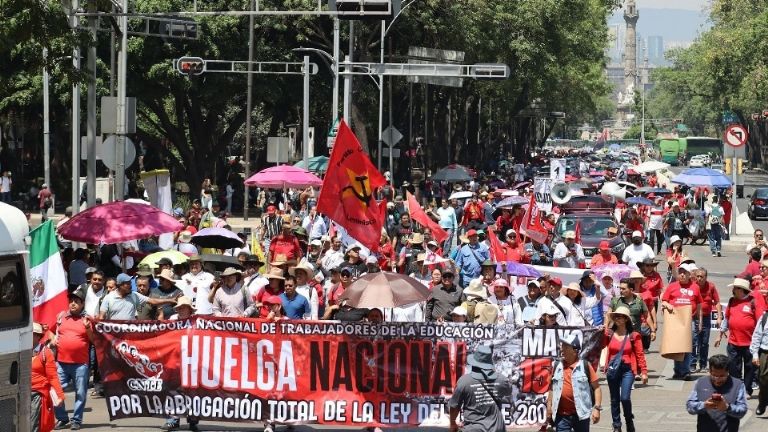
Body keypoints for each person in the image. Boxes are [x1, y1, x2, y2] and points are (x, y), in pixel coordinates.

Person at [51, 290, 94, 430]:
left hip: (80, 365)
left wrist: (88, 328)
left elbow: (93, 340)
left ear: (82, 304)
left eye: (76, 301)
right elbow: (49, 330)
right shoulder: (61, 317)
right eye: (71, 301)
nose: (73, 303)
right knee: (55, 392)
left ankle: (76, 420)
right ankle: (62, 419)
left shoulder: (87, 319)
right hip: (61, 363)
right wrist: (53, 339)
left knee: (80, 394)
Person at [603, 306, 648, 432]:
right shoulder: (609, 334)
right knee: (614, 398)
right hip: (612, 369)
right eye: (616, 316)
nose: (617, 318)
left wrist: (644, 372)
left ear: (626, 319)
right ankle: (616, 425)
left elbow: (640, 354)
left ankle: (629, 419)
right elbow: (599, 345)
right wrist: (602, 332)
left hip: (627, 369)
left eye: (620, 316)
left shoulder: (634, 336)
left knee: (625, 398)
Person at [716, 278, 762, 399]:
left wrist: (759, 340)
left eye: (735, 288)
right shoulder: (732, 301)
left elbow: (759, 323)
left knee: (749, 368)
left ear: (742, 290)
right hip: (733, 342)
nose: (733, 290)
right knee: (733, 367)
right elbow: (727, 318)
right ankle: (736, 389)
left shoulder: (752, 302)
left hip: (749, 343)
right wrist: (720, 334)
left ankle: (747, 390)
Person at [449, 345, 511, 432]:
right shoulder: (502, 380)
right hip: (498, 428)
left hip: (474, 429)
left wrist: (452, 423)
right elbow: (508, 393)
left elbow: (454, 405)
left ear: (473, 363)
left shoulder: (464, 381)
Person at [548, 333, 603, 432]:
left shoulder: (585, 366)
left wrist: (597, 409)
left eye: (565, 346)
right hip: (562, 416)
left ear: (574, 350)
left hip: (581, 415)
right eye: (562, 345)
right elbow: (552, 388)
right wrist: (549, 407)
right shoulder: (557, 366)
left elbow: (597, 388)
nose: (562, 348)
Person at [661, 262, 703, 380]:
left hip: (690, 320)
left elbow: (699, 305)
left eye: (685, 273)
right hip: (675, 320)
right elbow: (664, 300)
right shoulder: (672, 286)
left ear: (690, 274)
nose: (682, 275)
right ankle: (678, 371)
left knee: (688, 345)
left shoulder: (695, 287)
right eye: (680, 273)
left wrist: (700, 322)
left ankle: (685, 371)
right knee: (677, 346)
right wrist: (667, 305)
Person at [686, 354, 748, 432]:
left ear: (728, 372)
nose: (718, 379)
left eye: (722, 376)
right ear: (710, 371)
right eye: (714, 375)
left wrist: (727, 408)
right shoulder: (700, 382)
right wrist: (704, 405)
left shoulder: (738, 385)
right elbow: (690, 407)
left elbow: (742, 410)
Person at [31, 322, 65, 432]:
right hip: (21, 394)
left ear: (38, 336)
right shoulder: (20, 351)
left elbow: (53, 376)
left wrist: (59, 395)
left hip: (37, 394)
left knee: (33, 425)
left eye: (32, 334)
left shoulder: (46, 353)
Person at [99, 274, 178, 320]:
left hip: (130, 336)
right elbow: (102, 316)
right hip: (114, 336)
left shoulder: (134, 295)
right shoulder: (108, 298)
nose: (131, 286)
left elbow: (153, 301)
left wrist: (170, 300)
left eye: (130, 283)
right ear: (120, 285)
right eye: (128, 284)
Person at [692, 268, 722, 373]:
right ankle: (692, 364)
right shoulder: (693, 286)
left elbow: (717, 302)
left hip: (706, 317)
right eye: (698, 276)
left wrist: (719, 316)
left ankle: (703, 364)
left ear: (706, 277)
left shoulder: (711, 286)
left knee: (704, 342)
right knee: (693, 341)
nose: (699, 278)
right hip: (693, 317)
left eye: (702, 277)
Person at [749, 308, 768, 415]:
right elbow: (757, 336)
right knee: (763, 380)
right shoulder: (765, 317)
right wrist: (755, 354)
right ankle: (763, 402)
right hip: (765, 352)